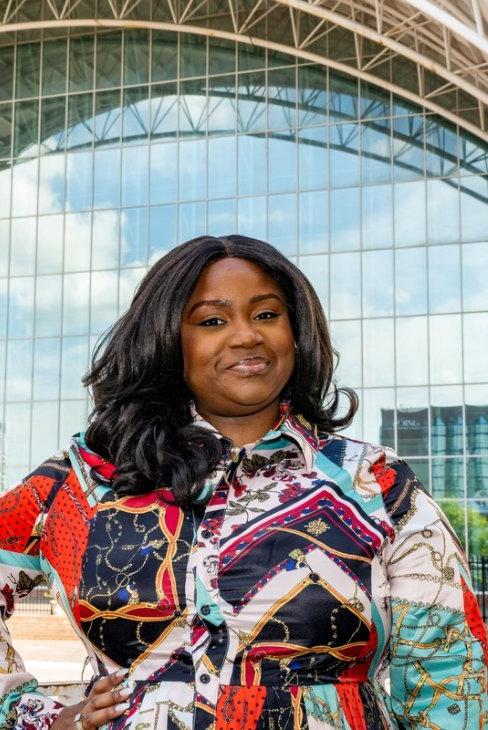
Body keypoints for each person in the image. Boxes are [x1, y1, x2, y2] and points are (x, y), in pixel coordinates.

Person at [0, 234, 486, 730]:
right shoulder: (83, 482)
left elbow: (448, 669)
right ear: (167, 338)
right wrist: (36, 717)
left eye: (267, 314)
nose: (246, 336)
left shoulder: (374, 484)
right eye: (212, 320)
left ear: (297, 332)